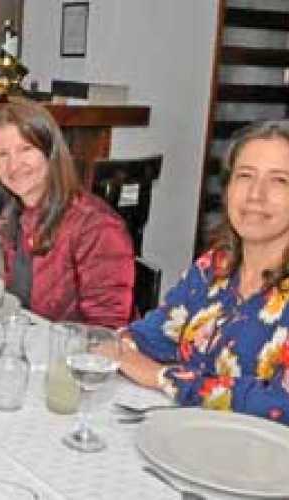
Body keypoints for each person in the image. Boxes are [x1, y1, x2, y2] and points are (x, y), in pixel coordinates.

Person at [115, 120, 289, 424]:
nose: (255, 195)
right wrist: (117, 347)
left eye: (280, 181)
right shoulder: (214, 266)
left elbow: (278, 404)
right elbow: (154, 336)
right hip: (189, 439)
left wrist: (165, 378)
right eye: (245, 176)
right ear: (227, 188)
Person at [0, 101, 135, 328]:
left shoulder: (97, 226)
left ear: (50, 153)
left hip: (73, 356)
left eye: (26, 149)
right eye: (2, 154)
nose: (13, 165)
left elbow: (106, 331)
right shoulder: (8, 216)